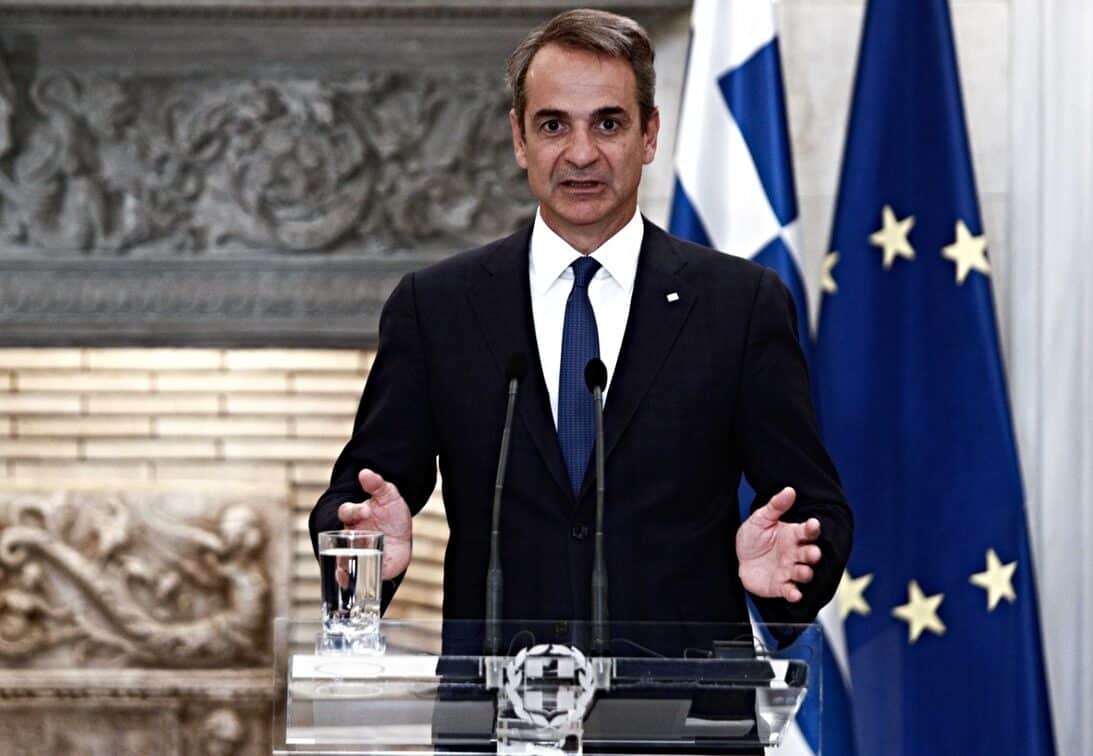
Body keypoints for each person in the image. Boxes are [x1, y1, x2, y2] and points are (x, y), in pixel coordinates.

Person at [311, 8, 852, 653]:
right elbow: (361, 495)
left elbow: (813, 503)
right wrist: (364, 552)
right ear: (519, 139)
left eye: (609, 123)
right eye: (553, 125)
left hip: (686, 700)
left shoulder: (739, 305)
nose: (581, 153)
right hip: (497, 699)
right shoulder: (437, 307)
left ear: (649, 135)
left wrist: (788, 567)